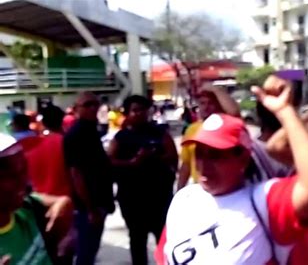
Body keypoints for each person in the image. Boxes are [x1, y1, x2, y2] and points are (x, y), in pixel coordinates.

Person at [156, 75, 308, 264]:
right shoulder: (185, 200)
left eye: (216, 156)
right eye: (200, 154)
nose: (204, 165)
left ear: (242, 158)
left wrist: (285, 111)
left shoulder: (264, 202)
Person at [108, 95, 178, 265]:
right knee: (137, 239)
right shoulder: (121, 137)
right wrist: (132, 163)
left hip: (159, 196)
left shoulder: (160, 132)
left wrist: (154, 157)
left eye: (143, 110)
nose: (139, 113)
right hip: (132, 199)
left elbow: (173, 156)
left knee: (165, 239)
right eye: (135, 110)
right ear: (127, 113)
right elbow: (109, 161)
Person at [0, 134, 73, 265]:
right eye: (11, 175)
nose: (24, 181)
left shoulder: (28, 206)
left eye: (24, 170)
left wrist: (62, 205)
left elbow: (60, 201)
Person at [63, 92, 115, 265]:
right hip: (88, 207)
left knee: (90, 251)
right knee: (86, 253)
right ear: (77, 109)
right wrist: (90, 208)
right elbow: (76, 174)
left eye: (95, 103)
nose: (93, 108)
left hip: (99, 202)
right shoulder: (77, 134)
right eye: (87, 105)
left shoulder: (92, 130)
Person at [177, 85, 240, 190]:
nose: (206, 107)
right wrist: (179, 191)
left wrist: (215, 89)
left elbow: (234, 113)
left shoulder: (227, 126)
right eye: (202, 103)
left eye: (211, 103)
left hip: (225, 187)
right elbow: (186, 164)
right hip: (200, 189)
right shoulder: (192, 129)